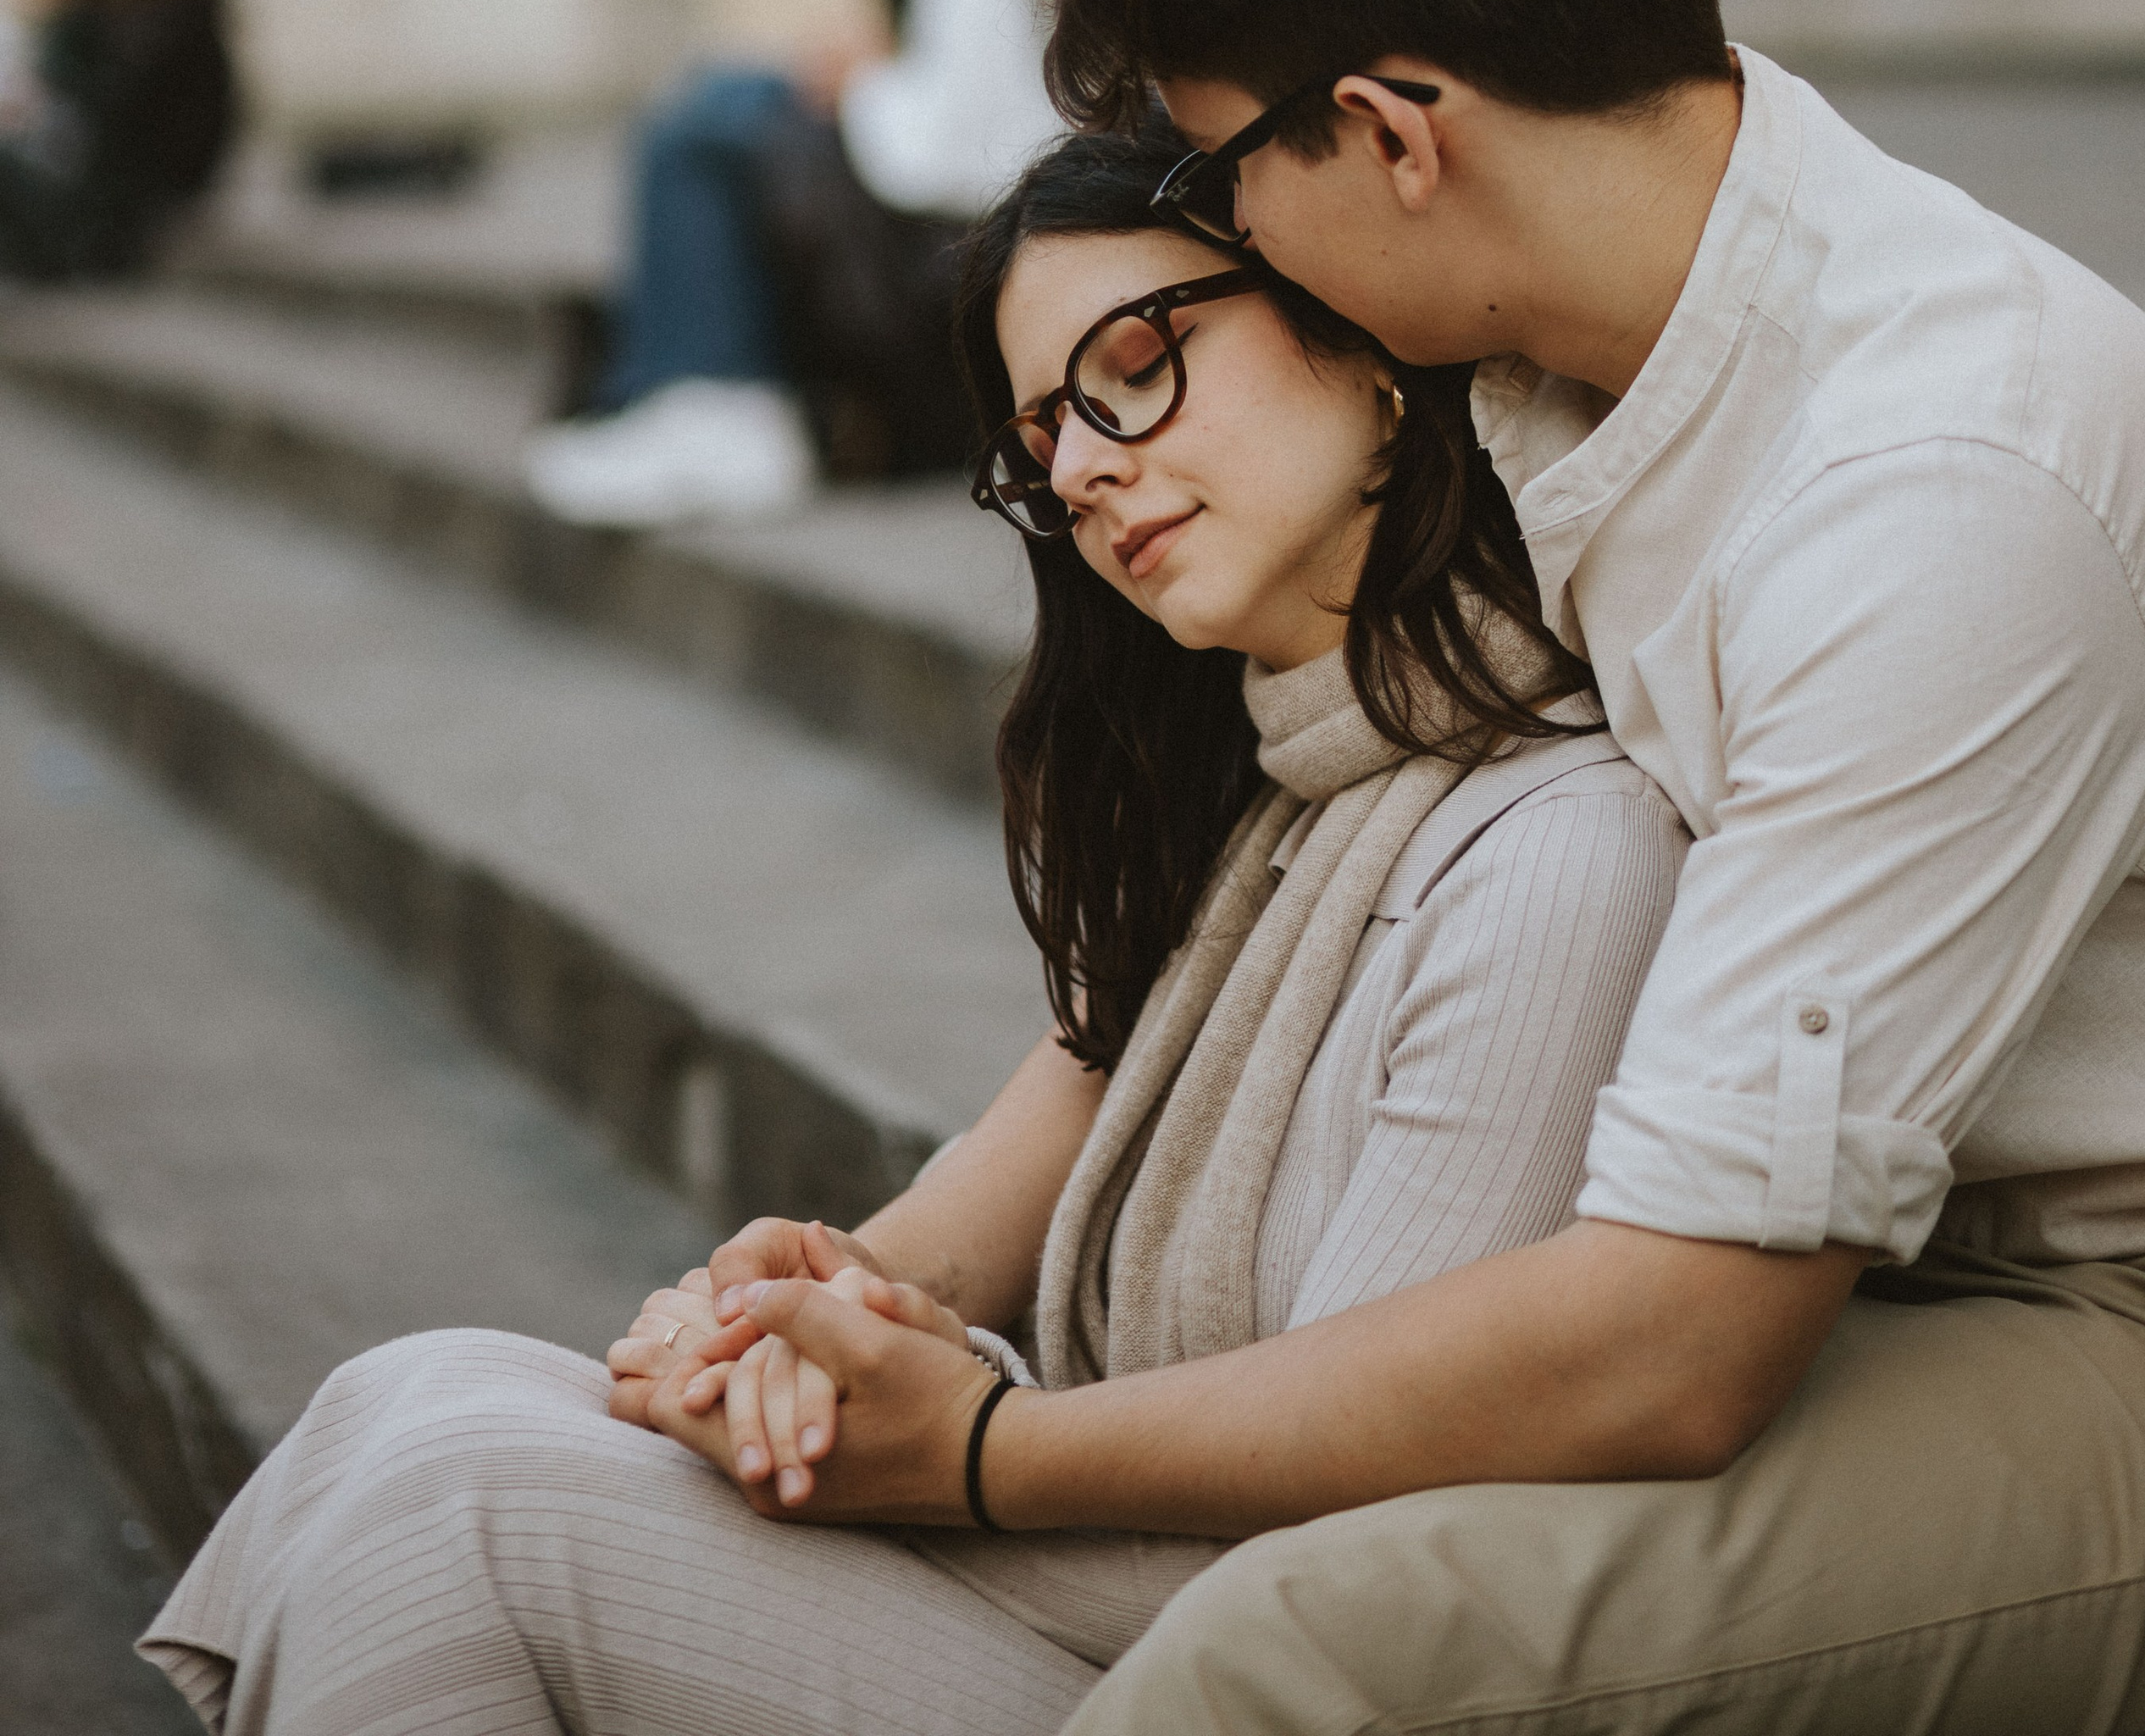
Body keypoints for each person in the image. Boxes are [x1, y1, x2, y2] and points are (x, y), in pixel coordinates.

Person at [694, 0, 2145, 1736]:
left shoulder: (1930, 484)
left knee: (1309, 1648)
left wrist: (989, 1446)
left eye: (1223, 170)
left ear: (1391, 131)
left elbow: (1672, 1342)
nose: (1225, 236)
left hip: (2091, 1309)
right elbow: (1271, 802)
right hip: (1858, 1237)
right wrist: (889, 1278)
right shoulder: (1562, 325)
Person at [140, 119, 1688, 1733]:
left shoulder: (1557, 856)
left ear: (1371, 341)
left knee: (447, 1512)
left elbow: (1335, 1563)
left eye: (1138, 364)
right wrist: (785, 1325)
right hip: (1106, 1590)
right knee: (401, 1394)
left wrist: (926, 1444)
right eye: (1042, 436)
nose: (1085, 465)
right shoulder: (1261, 817)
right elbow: (936, 1237)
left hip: (1245, 1668)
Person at [525, 0, 1072, 525]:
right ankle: (685, 397)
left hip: (955, 233)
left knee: (700, 129)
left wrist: (864, 82)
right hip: (960, 210)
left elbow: (960, 146)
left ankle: (714, 404)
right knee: (716, 100)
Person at [0, 0, 237, 282]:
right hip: (127, 175)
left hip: (129, 191)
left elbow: (115, 111)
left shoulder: (173, 16)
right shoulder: (159, 5)